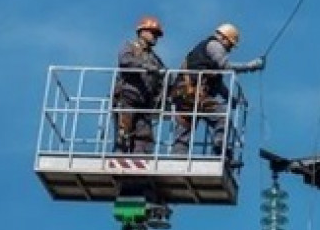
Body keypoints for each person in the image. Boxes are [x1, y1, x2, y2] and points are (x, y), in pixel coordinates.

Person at [170, 22, 264, 157]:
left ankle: (178, 157)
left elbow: (217, 84)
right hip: (194, 94)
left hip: (183, 94)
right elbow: (226, 66)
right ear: (224, 38)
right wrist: (250, 66)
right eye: (230, 45)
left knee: (185, 127)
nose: (229, 49)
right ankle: (220, 149)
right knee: (222, 117)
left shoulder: (205, 56)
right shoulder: (214, 45)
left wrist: (230, 99)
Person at [112, 15, 167, 154]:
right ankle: (119, 160)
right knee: (123, 135)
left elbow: (163, 75)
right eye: (153, 33)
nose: (155, 37)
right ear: (142, 32)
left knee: (144, 138)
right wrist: (144, 65)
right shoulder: (130, 47)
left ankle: (139, 160)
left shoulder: (154, 58)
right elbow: (125, 61)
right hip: (127, 98)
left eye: (156, 34)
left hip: (144, 103)